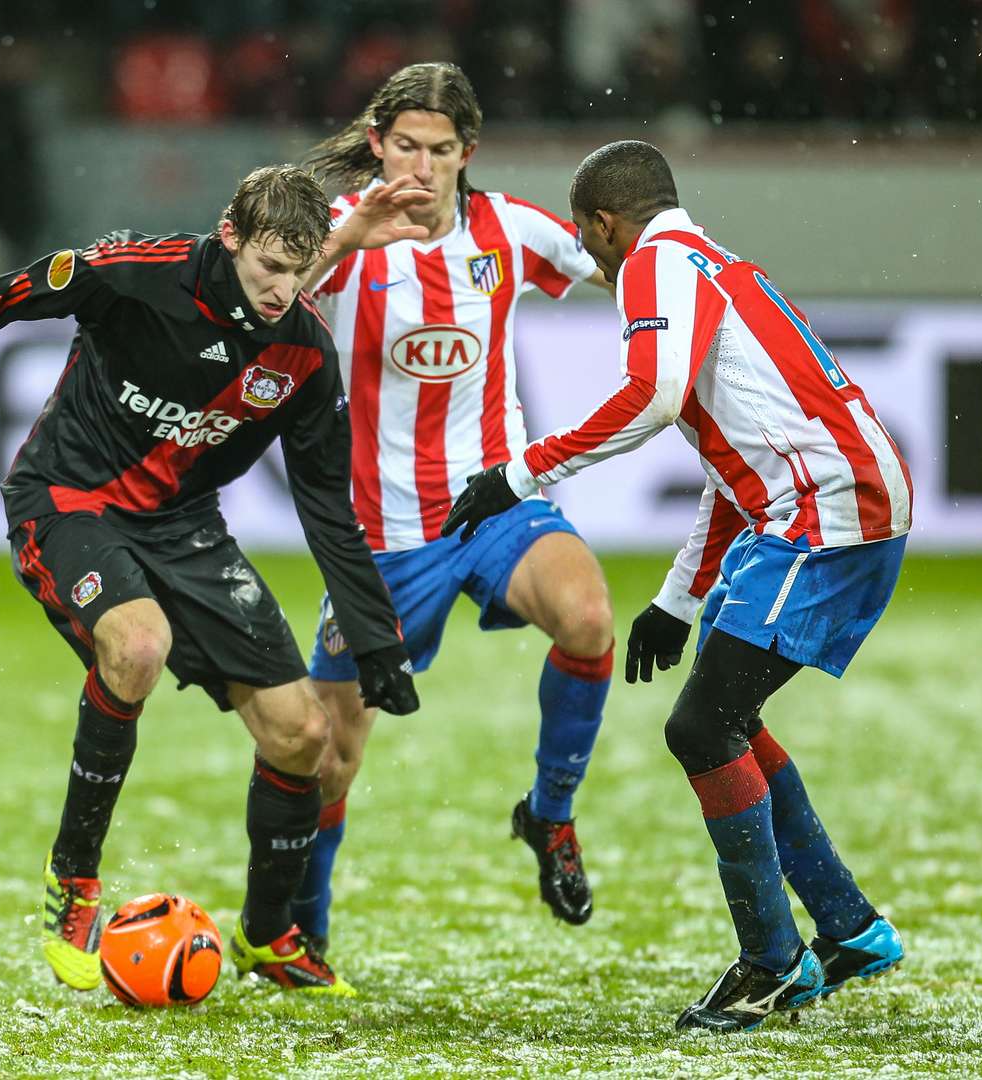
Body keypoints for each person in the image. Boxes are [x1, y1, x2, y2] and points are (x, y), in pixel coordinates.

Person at [0, 165, 420, 997]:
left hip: (184, 525)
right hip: (69, 500)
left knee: (302, 735)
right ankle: (74, 880)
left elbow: (328, 506)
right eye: (269, 270)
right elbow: (4, 296)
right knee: (138, 646)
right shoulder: (136, 275)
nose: (284, 291)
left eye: (299, 270)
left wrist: (377, 639)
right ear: (231, 237)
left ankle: (270, 933)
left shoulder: (304, 352)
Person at [441, 139, 913, 1032]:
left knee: (700, 726)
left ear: (605, 225)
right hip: (830, 500)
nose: (596, 260)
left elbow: (650, 397)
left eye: (590, 240)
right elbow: (729, 467)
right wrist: (676, 601)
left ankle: (775, 964)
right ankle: (849, 930)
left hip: (826, 509)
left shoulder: (656, 265)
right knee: (728, 721)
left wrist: (520, 473)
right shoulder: (713, 263)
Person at [293, 62, 618, 960]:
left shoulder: (511, 229)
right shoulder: (339, 233)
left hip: (494, 506)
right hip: (381, 537)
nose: (423, 166)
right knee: (327, 755)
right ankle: (300, 939)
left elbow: (630, 272)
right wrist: (344, 241)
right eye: (406, 146)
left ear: (466, 152)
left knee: (589, 617)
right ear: (376, 144)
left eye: (441, 150)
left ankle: (549, 818)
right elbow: (256, 303)